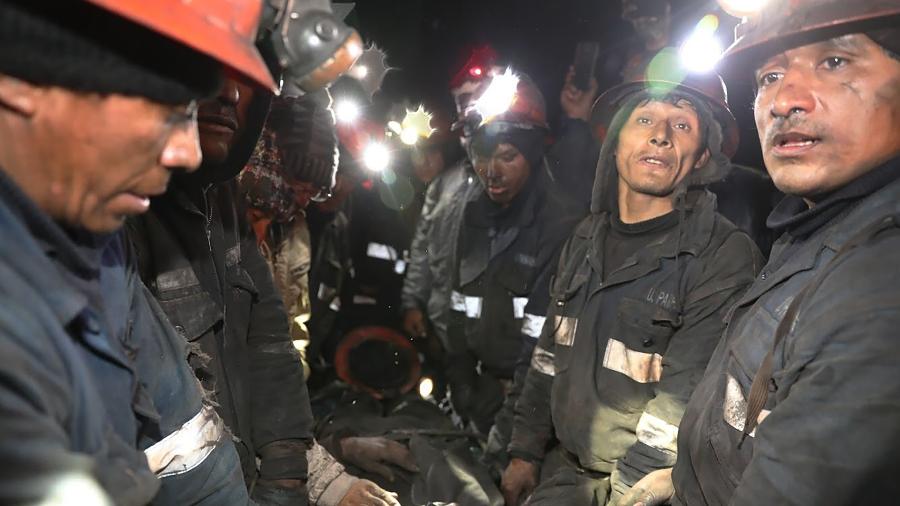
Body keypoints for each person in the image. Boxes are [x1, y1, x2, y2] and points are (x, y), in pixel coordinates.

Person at [618, 2, 900, 505]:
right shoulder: (810, 230)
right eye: (769, 75)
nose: (783, 99)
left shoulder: (879, 282)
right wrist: (683, 478)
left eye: (835, 62)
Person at [0, 0, 269, 503]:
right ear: (21, 82)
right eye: (169, 110)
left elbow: (186, 440)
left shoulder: (100, 250)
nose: (187, 151)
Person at [129, 72, 402, 505]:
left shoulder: (246, 218)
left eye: (314, 192)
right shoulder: (137, 220)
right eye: (298, 186)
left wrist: (304, 478)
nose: (304, 202)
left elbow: (276, 351)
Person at [502, 62, 762, 506]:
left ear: (701, 156)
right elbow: (547, 357)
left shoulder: (721, 257)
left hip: (643, 489)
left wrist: (626, 498)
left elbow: (680, 407)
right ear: (615, 139)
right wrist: (524, 451)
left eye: (681, 124)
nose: (660, 135)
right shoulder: (584, 239)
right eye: (644, 119)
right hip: (563, 470)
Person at [445, 71, 584, 468]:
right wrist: (461, 386)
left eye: (508, 156)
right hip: (479, 390)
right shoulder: (472, 212)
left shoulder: (561, 225)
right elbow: (457, 306)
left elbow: (543, 350)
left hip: (528, 406)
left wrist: (512, 437)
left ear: (534, 152)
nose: (492, 170)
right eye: (482, 156)